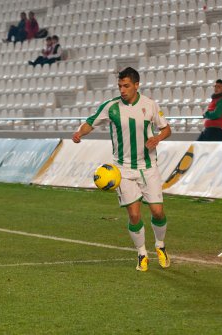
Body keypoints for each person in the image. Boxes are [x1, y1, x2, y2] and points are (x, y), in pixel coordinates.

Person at [72, 67, 172, 272]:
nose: (122, 90)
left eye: (126, 86)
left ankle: (160, 246)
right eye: (120, 86)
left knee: (158, 211)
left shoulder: (150, 105)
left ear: (137, 85)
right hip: (123, 170)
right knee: (134, 215)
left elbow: (166, 128)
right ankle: (142, 253)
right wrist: (79, 133)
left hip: (148, 166)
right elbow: (90, 122)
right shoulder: (111, 107)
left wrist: (157, 138)